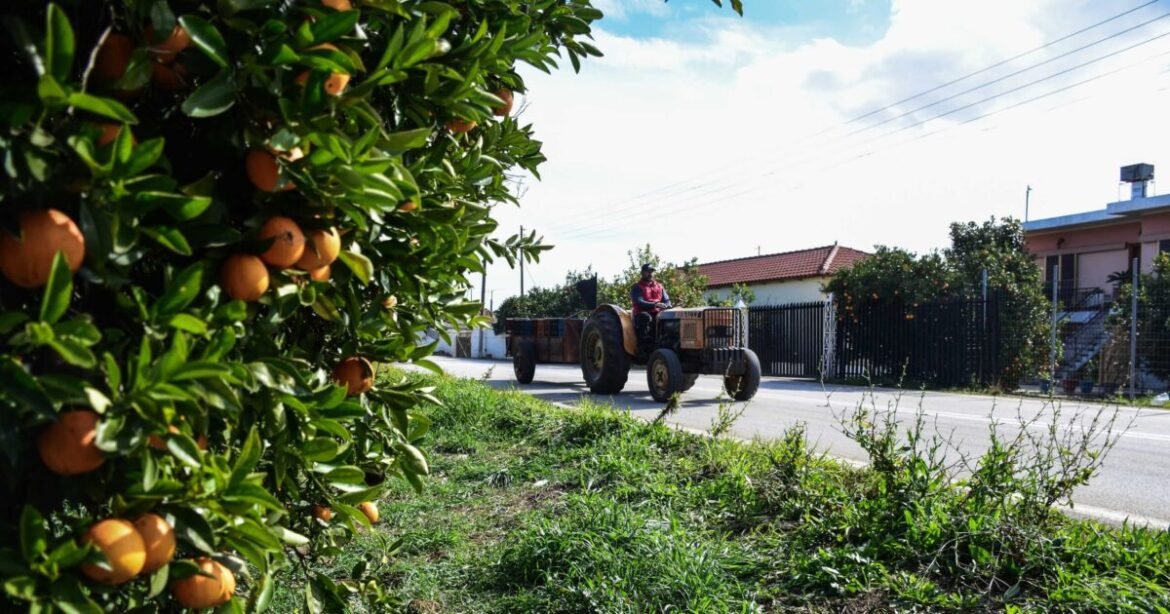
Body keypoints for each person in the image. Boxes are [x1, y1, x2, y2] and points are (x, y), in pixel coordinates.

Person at [631, 263, 671, 341]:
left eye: (651, 271)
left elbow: (666, 300)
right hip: (642, 312)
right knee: (646, 317)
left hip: (658, 312)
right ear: (642, 273)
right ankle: (643, 345)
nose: (650, 274)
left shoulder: (659, 286)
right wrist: (655, 305)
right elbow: (639, 302)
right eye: (647, 271)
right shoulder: (637, 287)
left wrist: (668, 305)